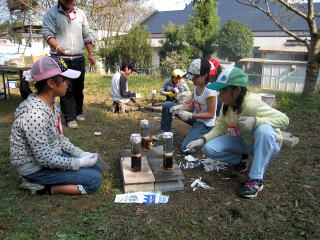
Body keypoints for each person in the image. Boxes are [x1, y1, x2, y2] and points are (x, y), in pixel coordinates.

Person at [186, 67, 289, 198]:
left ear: (237, 90)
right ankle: (242, 159)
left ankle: (256, 180)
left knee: (265, 130)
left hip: (267, 145)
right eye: (219, 90)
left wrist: (256, 120)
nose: (220, 94)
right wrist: (202, 140)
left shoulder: (252, 104)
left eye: (223, 91)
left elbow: (284, 120)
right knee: (209, 149)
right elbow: (220, 127)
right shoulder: (227, 104)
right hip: (244, 141)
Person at [10, 56, 102, 195]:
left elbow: (59, 138)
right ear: (51, 83)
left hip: (52, 155)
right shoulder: (35, 114)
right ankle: (39, 186)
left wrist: (80, 153)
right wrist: (79, 163)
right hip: (36, 168)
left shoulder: (52, 104)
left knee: (97, 167)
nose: (68, 83)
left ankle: (61, 177)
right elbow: (44, 159)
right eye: (65, 79)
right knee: (94, 179)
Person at [42, 0, 96, 128]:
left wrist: (91, 54)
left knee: (78, 87)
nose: (69, 2)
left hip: (78, 58)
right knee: (65, 89)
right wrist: (57, 46)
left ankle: (78, 112)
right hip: (61, 58)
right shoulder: (51, 13)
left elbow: (87, 35)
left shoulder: (81, 14)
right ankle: (69, 118)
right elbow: (47, 33)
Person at [153, 58, 218, 153]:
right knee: (168, 105)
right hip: (195, 118)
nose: (192, 80)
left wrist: (190, 115)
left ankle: (206, 138)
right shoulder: (197, 86)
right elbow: (192, 105)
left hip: (205, 124)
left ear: (204, 76)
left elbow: (211, 115)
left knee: (186, 148)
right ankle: (165, 132)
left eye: (194, 78)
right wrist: (181, 107)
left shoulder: (210, 91)